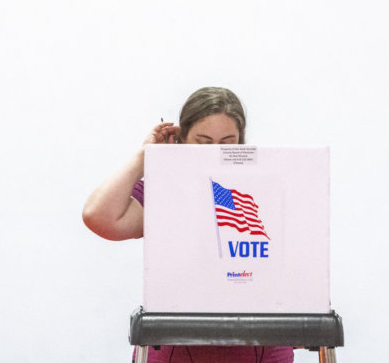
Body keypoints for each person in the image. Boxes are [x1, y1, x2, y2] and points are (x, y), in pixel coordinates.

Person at [82, 87, 294, 363]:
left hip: (261, 348)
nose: (215, 153)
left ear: (241, 142)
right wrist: (145, 157)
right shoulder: (162, 191)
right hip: (174, 348)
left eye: (227, 142)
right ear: (181, 140)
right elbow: (98, 217)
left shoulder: (267, 190)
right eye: (203, 143)